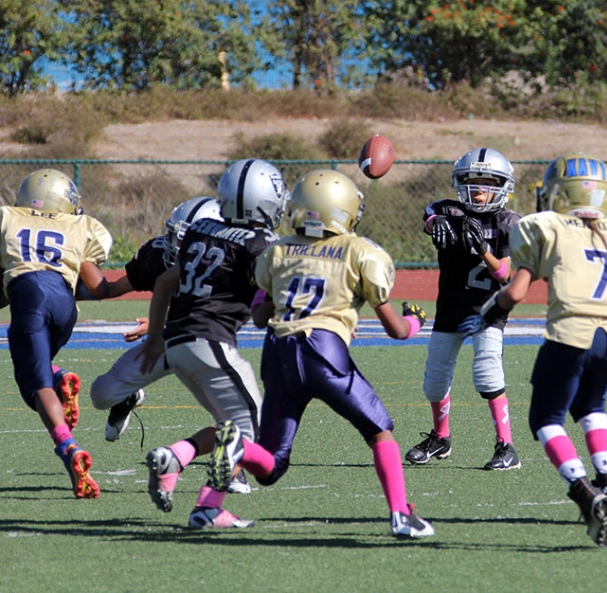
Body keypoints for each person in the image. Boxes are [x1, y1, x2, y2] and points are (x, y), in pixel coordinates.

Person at [458, 153, 607, 547]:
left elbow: (516, 291)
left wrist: (491, 311)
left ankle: (583, 492)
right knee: (592, 408)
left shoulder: (547, 227)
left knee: (546, 419)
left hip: (573, 332)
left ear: (557, 194)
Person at [208, 169, 435, 537]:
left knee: (272, 464)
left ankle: (235, 451)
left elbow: (260, 317)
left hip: (278, 352)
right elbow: (396, 330)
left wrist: (276, 291)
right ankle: (400, 514)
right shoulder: (360, 251)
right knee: (380, 431)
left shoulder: (278, 249)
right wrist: (416, 321)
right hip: (323, 351)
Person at [136, 158, 289, 529]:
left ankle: (175, 458)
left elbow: (166, 282)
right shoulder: (261, 243)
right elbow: (263, 308)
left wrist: (155, 336)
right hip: (211, 342)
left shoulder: (200, 228)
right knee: (252, 432)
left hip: (178, 342)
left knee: (229, 428)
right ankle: (207, 507)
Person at [405, 147, 523, 471]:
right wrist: (436, 222)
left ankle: (506, 446)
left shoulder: (508, 222)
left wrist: (484, 251)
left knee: (487, 375)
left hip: (488, 311)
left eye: (487, 183)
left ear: (502, 187)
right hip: (451, 307)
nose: (479, 189)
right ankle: (441, 439)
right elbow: (431, 216)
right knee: (434, 380)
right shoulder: (450, 212)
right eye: (473, 182)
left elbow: (505, 273)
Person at [1, 168, 112, 498]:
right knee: (37, 368)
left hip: (29, 296)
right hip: (65, 305)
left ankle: (67, 448)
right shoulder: (81, 225)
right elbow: (95, 286)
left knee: (36, 386)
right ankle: (56, 374)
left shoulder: (7, 219)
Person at [90, 196, 222, 442]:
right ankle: (129, 397)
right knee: (101, 394)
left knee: (231, 421)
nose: (176, 244)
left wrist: (159, 323)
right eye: (176, 235)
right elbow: (117, 287)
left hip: (208, 349)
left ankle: (236, 472)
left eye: (186, 239)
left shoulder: (227, 265)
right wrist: (67, 290)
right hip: (161, 346)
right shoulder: (158, 254)